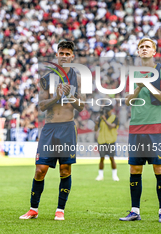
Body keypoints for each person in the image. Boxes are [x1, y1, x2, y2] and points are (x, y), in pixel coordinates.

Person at [19, 41, 85, 221]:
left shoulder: (78, 77)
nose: (63, 56)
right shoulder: (47, 77)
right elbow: (41, 106)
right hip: (49, 128)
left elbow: (82, 106)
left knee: (65, 170)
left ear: (72, 57)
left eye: (67, 54)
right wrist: (56, 97)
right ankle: (33, 209)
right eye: (61, 53)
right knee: (40, 170)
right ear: (56, 55)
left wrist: (70, 96)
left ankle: (60, 210)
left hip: (67, 127)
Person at [119, 38, 161, 223]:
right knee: (135, 169)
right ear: (138, 51)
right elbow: (127, 100)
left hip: (156, 126)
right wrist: (139, 86)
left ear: (154, 51)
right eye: (141, 47)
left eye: (147, 47)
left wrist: (148, 84)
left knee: (159, 168)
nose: (144, 49)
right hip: (136, 127)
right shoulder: (132, 74)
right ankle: (135, 211)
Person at [94, 105, 119, 181]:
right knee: (102, 158)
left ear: (111, 110)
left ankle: (114, 175)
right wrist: (96, 123)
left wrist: (105, 120)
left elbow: (112, 126)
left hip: (110, 141)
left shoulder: (115, 118)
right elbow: (96, 129)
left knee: (112, 158)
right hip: (102, 141)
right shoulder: (100, 118)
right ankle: (100, 175)